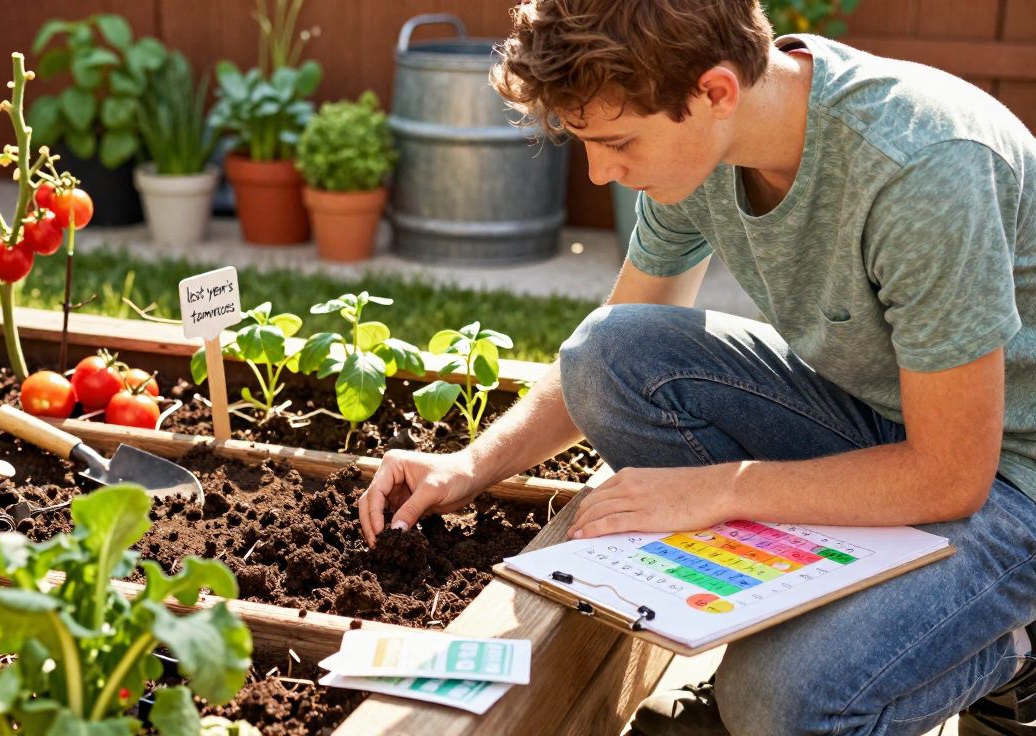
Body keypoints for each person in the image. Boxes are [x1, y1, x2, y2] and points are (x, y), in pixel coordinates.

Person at [355, 1, 1036, 734]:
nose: (601, 170)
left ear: (714, 92)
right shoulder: (712, 149)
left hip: (1008, 477)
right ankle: (835, 620)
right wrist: (470, 464)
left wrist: (719, 492)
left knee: (786, 702)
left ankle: (1013, 650)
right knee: (607, 357)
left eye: (617, 141)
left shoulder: (921, 167)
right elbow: (611, 356)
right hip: (884, 420)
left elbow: (954, 474)